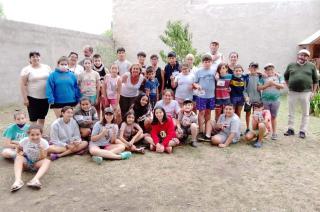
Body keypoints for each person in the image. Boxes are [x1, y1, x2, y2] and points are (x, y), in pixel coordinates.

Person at [284, 49, 318, 138]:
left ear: (307, 57)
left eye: (305, 55)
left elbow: (315, 80)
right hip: (292, 92)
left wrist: (313, 92)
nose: (302, 57)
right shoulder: (291, 65)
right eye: (301, 55)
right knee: (291, 111)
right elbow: (286, 77)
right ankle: (290, 129)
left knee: (305, 112)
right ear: (298, 55)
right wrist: (289, 87)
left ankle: (303, 131)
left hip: (306, 92)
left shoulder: (312, 66)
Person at [10, 124, 51, 191]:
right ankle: (18, 181)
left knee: (47, 161)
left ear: (41, 134)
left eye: (37, 134)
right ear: (28, 134)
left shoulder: (44, 143)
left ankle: (35, 179)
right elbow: (18, 148)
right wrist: (20, 152)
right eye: (32, 135)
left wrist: (41, 150)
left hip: (37, 164)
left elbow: (43, 157)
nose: (35, 137)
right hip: (26, 163)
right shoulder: (24, 141)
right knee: (18, 157)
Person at [20, 51, 51, 128]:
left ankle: (40, 133)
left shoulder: (46, 67)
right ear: (30, 59)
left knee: (42, 117)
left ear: (40, 58)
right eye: (33, 56)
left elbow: (51, 81)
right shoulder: (26, 69)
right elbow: (23, 84)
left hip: (45, 97)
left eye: (37, 56)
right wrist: (25, 98)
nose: (35, 58)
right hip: (32, 97)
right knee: (33, 118)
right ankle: (33, 133)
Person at [258, 63, 285, 140]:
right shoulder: (263, 77)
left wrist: (272, 83)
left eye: (271, 69)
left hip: (275, 100)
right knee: (265, 117)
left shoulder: (279, 76)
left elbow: (282, 86)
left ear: (273, 69)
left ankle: (274, 133)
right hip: (265, 100)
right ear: (265, 70)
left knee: (273, 116)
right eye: (267, 69)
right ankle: (265, 133)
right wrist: (267, 85)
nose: (269, 70)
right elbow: (259, 88)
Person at [193, 54, 216, 137]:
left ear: (211, 62)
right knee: (201, 112)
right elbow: (194, 82)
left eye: (209, 62)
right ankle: (201, 131)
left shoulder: (214, 71)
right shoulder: (199, 71)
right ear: (203, 62)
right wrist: (197, 86)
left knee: (208, 113)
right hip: (201, 96)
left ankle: (207, 130)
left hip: (211, 96)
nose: (207, 63)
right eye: (205, 62)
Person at [243, 62, 262, 134]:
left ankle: (255, 128)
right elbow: (244, 89)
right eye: (252, 67)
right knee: (248, 113)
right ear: (249, 68)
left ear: (257, 69)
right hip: (248, 100)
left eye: (255, 67)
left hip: (257, 99)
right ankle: (247, 128)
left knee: (256, 115)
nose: (253, 69)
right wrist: (246, 97)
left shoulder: (260, 77)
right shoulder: (246, 77)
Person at [93, 54, 107, 118]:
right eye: (95, 61)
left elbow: (107, 80)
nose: (97, 62)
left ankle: (104, 118)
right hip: (95, 90)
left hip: (104, 90)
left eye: (99, 61)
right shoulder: (92, 70)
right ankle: (98, 119)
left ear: (101, 61)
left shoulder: (105, 69)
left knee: (104, 106)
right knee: (97, 106)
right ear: (93, 62)